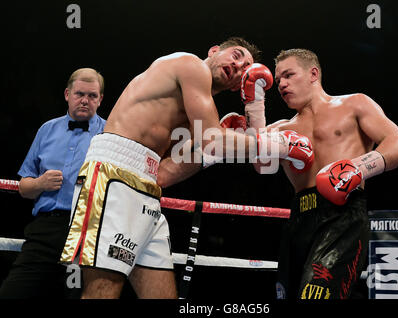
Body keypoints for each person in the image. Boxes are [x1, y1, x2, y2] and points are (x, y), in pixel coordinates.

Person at [59, 37, 312, 299]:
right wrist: (281, 145)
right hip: (113, 177)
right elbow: (214, 141)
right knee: (102, 291)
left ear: (239, 84)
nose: (238, 66)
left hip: (146, 189)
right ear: (214, 51)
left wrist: (214, 150)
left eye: (245, 67)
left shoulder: (195, 117)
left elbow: (164, 174)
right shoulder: (190, 65)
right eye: (236, 55)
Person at [221, 48, 398, 299]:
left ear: (313, 73)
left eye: (289, 75)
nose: (282, 85)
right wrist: (254, 107)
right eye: (278, 80)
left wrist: (358, 168)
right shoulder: (280, 129)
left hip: (342, 216)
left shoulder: (354, 103)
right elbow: (262, 166)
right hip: (299, 218)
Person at [0, 68, 106, 299]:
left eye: (92, 96)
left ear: (100, 99)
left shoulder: (110, 134)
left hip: (86, 232)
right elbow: (24, 187)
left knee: (74, 296)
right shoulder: (47, 129)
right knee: (13, 293)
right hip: (45, 231)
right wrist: (39, 183)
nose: (85, 100)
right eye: (79, 94)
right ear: (67, 94)